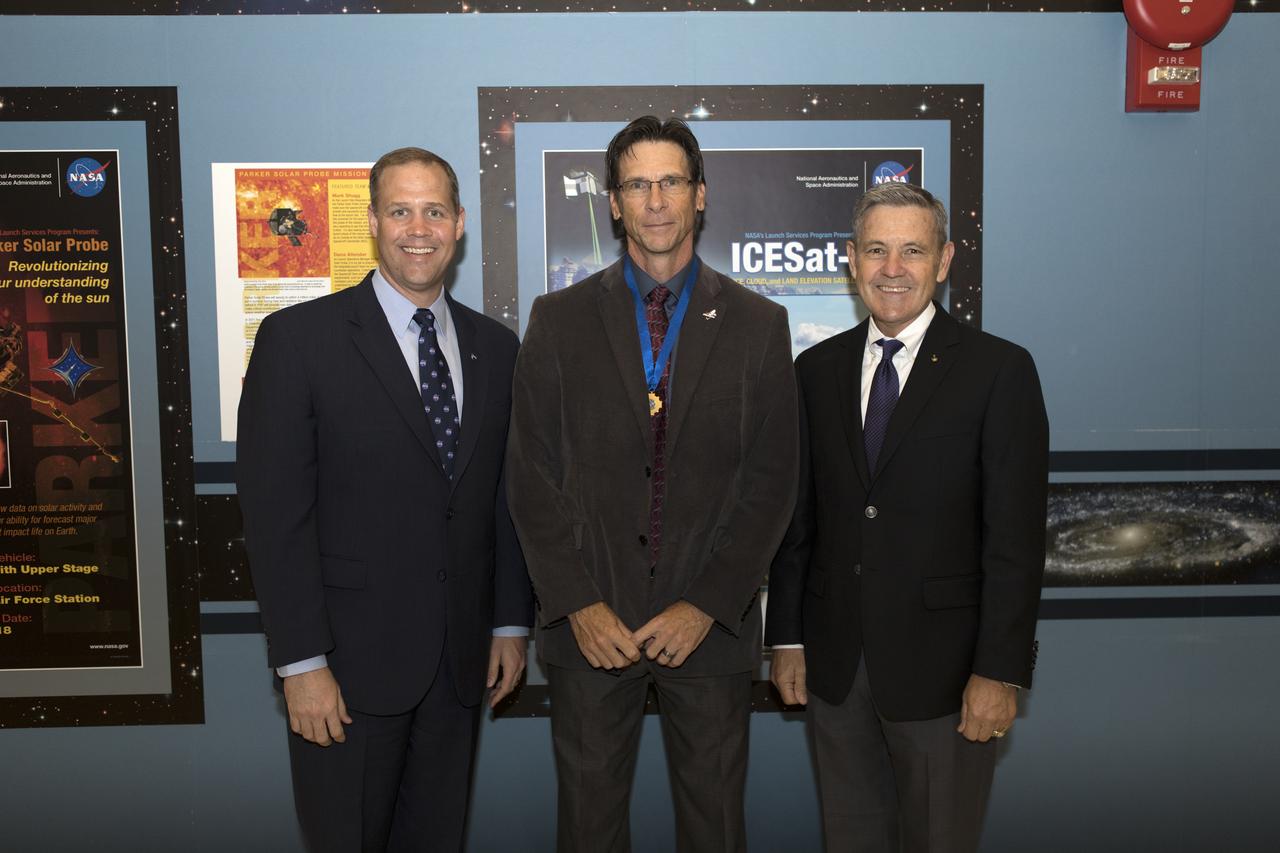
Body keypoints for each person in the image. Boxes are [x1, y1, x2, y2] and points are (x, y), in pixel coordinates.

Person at [506, 116, 798, 853]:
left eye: (672, 181)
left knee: (714, 828)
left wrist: (705, 603)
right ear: (613, 203)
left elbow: (772, 480)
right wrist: (577, 602)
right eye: (638, 184)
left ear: (700, 196)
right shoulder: (558, 318)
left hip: (708, 631)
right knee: (589, 829)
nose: (656, 200)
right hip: (590, 632)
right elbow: (530, 474)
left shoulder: (761, 324)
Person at [237, 147, 532, 853]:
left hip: (458, 668)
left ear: (460, 223)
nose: (418, 227)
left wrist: (510, 624)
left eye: (434, 210)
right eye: (400, 210)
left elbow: (504, 498)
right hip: (344, 673)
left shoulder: (497, 347)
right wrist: (301, 664)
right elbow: (277, 516)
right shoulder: (298, 340)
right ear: (372, 221)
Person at [765, 182, 1049, 853]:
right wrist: (787, 638)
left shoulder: (998, 371)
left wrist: (1000, 671)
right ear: (851, 259)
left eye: (913, 250)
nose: (893, 268)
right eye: (876, 249)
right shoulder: (815, 370)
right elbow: (798, 518)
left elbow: (1015, 540)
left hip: (949, 680)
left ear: (945, 260)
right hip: (837, 673)